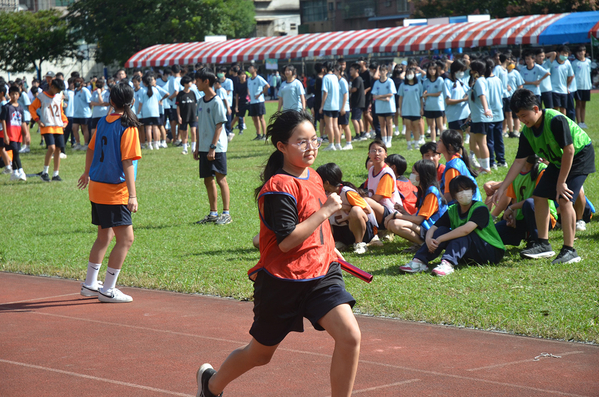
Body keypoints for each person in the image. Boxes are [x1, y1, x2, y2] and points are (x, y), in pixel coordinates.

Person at [195, 109, 360, 397]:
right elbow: (286, 242)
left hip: (322, 274)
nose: (311, 147)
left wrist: (331, 249)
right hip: (282, 281)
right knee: (260, 354)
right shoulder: (277, 188)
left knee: (350, 337)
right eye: (302, 141)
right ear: (281, 146)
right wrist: (326, 211)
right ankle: (211, 385)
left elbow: (318, 227)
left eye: (314, 139)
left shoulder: (314, 177)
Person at [495, 88, 595, 264]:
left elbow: (569, 150)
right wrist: (502, 187)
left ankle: (570, 250)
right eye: (519, 117)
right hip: (559, 160)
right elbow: (518, 162)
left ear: (535, 109)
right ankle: (543, 244)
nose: (522, 120)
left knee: (564, 199)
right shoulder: (527, 132)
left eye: (524, 115)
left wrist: (561, 182)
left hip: (579, 155)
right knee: (540, 196)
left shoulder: (555, 120)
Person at [77, 82, 141, 303]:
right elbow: (127, 162)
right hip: (115, 190)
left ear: (111, 101)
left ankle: (90, 284)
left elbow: (91, 149)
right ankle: (108, 289)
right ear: (131, 101)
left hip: (97, 187)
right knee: (126, 239)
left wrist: (86, 173)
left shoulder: (103, 121)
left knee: (104, 236)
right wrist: (132, 195)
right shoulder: (128, 126)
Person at [401, 175, 505, 276]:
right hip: (470, 253)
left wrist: (441, 238)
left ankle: (447, 263)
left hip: (491, 253)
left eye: (466, 189)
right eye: (459, 190)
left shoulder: (480, 208)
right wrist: (428, 239)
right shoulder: (453, 210)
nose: (463, 193)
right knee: (442, 229)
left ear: (473, 191)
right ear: (454, 195)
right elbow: (434, 227)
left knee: (462, 234)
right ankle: (419, 261)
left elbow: (465, 230)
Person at [194, 68, 232, 225]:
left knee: (220, 179)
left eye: (197, 80)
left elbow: (219, 126)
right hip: (204, 147)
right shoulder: (200, 101)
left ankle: (226, 213)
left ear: (206, 81)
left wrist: (212, 147)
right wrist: (197, 146)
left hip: (216, 148)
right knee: (207, 180)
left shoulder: (216, 101)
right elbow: (199, 125)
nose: (195, 83)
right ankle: (213, 213)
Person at [494, 155, 557, 248]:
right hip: (522, 218)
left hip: (544, 218)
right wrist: (513, 219)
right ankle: (524, 234)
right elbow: (514, 198)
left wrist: (511, 208)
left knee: (530, 204)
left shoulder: (543, 170)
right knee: (494, 233)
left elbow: (537, 199)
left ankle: (537, 241)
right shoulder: (515, 172)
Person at [317, 162, 377, 254]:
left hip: (359, 229)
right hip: (340, 229)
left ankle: (359, 243)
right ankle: (336, 242)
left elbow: (367, 210)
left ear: (327, 183)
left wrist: (342, 207)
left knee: (356, 210)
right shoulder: (324, 194)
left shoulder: (347, 192)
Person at [387, 159, 447, 250]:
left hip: (434, 230)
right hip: (426, 227)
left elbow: (418, 220)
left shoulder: (431, 192)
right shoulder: (424, 190)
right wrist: (403, 211)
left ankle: (424, 245)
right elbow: (418, 217)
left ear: (423, 175)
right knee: (392, 223)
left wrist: (396, 215)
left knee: (395, 224)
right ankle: (421, 243)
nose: (411, 176)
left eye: (414, 173)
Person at [29, 79, 68, 182]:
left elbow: (60, 111)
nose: (59, 92)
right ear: (52, 87)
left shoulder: (59, 97)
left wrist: (65, 121)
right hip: (47, 126)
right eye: (58, 90)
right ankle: (45, 172)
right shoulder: (42, 97)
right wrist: (37, 120)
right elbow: (32, 108)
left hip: (58, 126)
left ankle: (56, 174)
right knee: (51, 147)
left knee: (58, 150)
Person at [364, 139, 402, 231]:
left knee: (365, 201)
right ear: (369, 154)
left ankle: (375, 231)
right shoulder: (371, 169)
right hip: (377, 207)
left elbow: (378, 198)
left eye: (380, 150)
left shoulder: (386, 173)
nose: (376, 153)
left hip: (391, 211)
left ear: (385, 154)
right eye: (373, 151)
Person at [437, 129, 481, 204]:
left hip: (467, 210)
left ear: (449, 146)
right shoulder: (455, 159)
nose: (437, 143)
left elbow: (449, 197)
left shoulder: (453, 167)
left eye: (440, 141)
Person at [467, 59, 493, 173]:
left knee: (482, 142)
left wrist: (486, 110)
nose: (470, 70)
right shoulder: (477, 81)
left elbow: (482, 96)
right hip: (476, 116)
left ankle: (486, 167)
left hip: (481, 117)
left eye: (471, 68)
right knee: (474, 142)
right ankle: (481, 165)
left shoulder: (480, 82)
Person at [1, 86, 27, 181]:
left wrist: (26, 133)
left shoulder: (20, 107)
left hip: (18, 134)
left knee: (15, 151)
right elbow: (3, 121)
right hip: (10, 133)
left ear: (18, 95)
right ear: (9, 95)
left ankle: (15, 173)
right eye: (12, 94)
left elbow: (23, 122)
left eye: (16, 94)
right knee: (15, 152)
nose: (14, 96)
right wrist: (5, 134)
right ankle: (21, 171)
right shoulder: (6, 107)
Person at [485, 59, 507, 169]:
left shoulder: (484, 81)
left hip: (489, 114)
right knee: (499, 139)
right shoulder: (498, 80)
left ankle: (492, 161)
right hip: (499, 112)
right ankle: (502, 160)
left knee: (490, 139)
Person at [139, 73, 169, 150]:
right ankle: (156, 144)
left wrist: (138, 112)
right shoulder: (155, 90)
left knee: (148, 128)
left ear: (144, 83)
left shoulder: (142, 91)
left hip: (146, 112)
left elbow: (140, 103)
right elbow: (160, 100)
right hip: (155, 111)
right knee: (155, 127)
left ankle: (149, 144)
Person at [444, 59, 470, 145]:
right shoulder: (447, 82)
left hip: (466, 115)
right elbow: (448, 101)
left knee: (473, 136)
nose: (462, 73)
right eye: (460, 71)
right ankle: (461, 157)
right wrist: (463, 100)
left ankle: (472, 156)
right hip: (455, 116)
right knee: (459, 141)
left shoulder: (460, 81)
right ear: (454, 70)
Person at [397, 67, 424, 150]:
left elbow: (421, 98)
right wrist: (400, 109)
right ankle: (409, 144)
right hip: (406, 110)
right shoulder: (403, 85)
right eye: (408, 73)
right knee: (408, 127)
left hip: (416, 109)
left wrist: (422, 108)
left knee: (416, 127)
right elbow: (400, 98)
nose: (409, 75)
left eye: (411, 73)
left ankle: (416, 144)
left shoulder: (419, 85)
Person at [371, 64, 397, 148]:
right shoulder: (376, 83)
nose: (382, 72)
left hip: (389, 107)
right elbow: (374, 96)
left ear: (387, 72)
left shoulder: (390, 81)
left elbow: (391, 93)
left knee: (389, 124)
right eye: (381, 71)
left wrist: (379, 96)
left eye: (384, 71)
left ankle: (389, 140)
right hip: (380, 107)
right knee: (382, 124)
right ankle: (384, 140)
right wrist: (383, 98)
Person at [547, 45, 574, 115]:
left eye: (566, 53)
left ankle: (562, 123)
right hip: (554, 89)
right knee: (555, 108)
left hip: (564, 90)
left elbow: (571, 76)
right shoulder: (553, 62)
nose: (565, 55)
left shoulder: (567, 63)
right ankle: (554, 123)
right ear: (558, 53)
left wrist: (567, 87)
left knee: (563, 108)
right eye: (563, 53)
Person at [320, 61, 341, 151]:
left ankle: (331, 144)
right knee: (335, 125)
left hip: (328, 105)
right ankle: (338, 144)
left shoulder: (326, 77)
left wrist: (322, 106)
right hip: (336, 105)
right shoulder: (335, 77)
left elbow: (325, 92)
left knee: (329, 125)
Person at [422, 62, 445, 142]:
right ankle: (433, 141)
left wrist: (428, 94)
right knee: (432, 126)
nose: (432, 71)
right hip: (429, 106)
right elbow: (423, 93)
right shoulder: (425, 81)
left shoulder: (440, 80)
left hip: (438, 106)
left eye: (434, 69)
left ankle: (442, 140)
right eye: (430, 69)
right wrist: (424, 95)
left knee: (440, 125)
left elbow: (439, 93)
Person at [176, 75, 198, 155]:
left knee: (193, 131)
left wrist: (197, 114)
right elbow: (177, 106)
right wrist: (179, 116)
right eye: (189, 82)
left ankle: (193, 148)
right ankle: (185, 149)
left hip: (193, 116)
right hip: (184, 116)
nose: (191, 83)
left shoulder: (192, 93)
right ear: (185, 84)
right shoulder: (180, 94)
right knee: (184, 133)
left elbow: (195, 104)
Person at [248, 64, 270, 141]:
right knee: (254, 118)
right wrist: (249, 94)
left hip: (259, 101)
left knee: (261, 118)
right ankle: (258, 134)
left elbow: (267, 85)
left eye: (251, 67)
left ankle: (264, 135)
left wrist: (260, 93)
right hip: (252, 102)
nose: (249, 69)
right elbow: (248, 87)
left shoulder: (259, 78)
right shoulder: (249, 80)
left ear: (255, 69)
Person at [572, 45, 591, 128]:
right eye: (579, 51)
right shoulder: (574, 63)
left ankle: (583, 121)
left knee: (584, 104)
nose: (581, 53)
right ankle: (579, 122)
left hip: (586, 86)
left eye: (582, 51)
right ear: (577, 53)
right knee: (578, 104)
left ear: (585, 52)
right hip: (578, 86)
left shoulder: (588, 62)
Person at [335, 63, 353, 150]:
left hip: (344, 107)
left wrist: (343, 107)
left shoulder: (343, 81)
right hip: (337, 108)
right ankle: (338, 144)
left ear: (338, 71)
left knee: (345, 126)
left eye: (334, 71)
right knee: (338, 126)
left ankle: (349, 143)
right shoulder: (336, 81)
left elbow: (346, 94)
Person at [72, 77, 92, 149]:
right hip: (76, 113)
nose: (77, 83)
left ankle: (86, 144)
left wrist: (88, 111)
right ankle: (78, 144)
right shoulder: (75, 91)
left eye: (78, 81)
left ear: (82, 83)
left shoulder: (85, 91)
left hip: (84, 114)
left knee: (84, 128)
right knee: (74, 128)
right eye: (76, 81)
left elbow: (90, 102)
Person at [506, 59, 524, 137]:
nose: (511, 64)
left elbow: (520, 85)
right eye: (510, 63)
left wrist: (518, 95)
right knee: (508, 114)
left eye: (512, 62)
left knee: (516, 114)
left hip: (514, 96)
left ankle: (516, 130)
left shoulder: (516, 73)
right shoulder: (504, 73)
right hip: (506, 96)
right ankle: (509, 131)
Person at [348, 63, 365, 141]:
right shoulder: (357, 79)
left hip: (357, 102)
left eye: (352, 70)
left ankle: (358, 135)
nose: (350, 71)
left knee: (354, 119)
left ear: (357, 70)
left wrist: (348, 89)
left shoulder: (357, 79)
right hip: (359, 102)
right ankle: (362, 133)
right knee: (359, 118)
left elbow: (354, 89)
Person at [166, 65, 183, 146]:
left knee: (174, 121)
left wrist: (170, 97)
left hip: (174, 104)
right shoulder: (180, 79)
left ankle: (176, 139)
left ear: (172, 72)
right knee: (178, 121)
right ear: (180, 71)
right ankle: (177, 138)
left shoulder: (173, 79)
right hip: (179, 103)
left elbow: (176, 92)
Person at [232, 69, 249, 133]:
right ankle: (230, 129)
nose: (243, 76)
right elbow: (237, 95)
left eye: (244, 74)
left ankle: (258, 133)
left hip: (249, 102)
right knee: (238, 116)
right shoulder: (238, 84)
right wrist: (236, 106)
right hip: (241, 102)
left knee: (254, 117)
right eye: (241, 74)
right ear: (238, 76)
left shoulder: (248, 82)